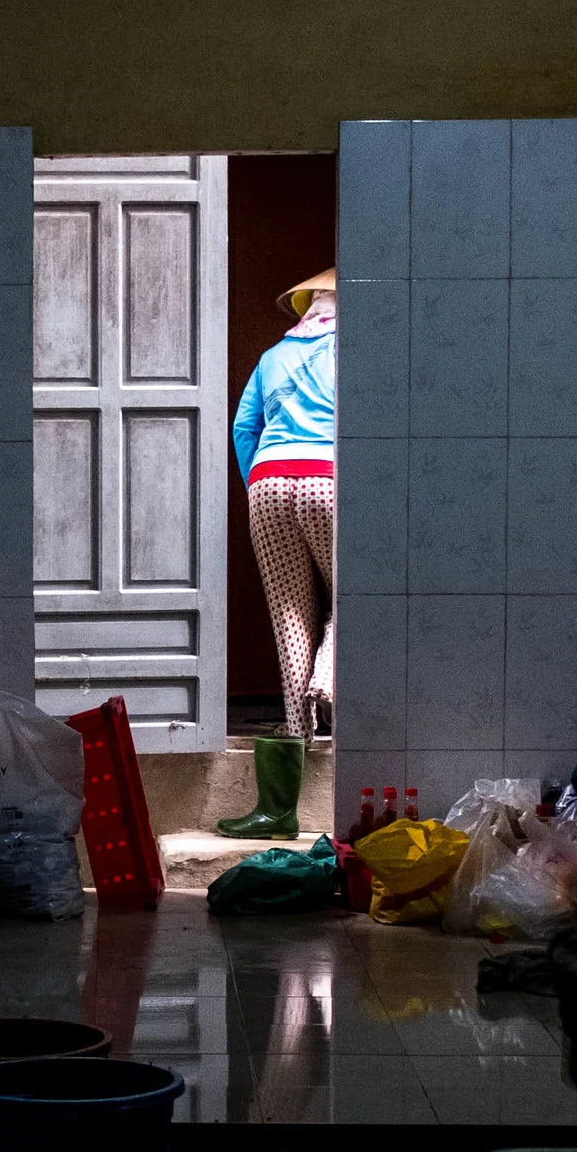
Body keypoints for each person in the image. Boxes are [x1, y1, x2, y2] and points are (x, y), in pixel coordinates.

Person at [217, 266, 336, 840]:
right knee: (353, 596)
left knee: (290, 613)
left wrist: (258, 482)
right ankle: (327, 678)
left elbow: (245, 428)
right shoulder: (351, 352)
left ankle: (297, 727)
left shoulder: (272, 357)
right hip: (328, 478)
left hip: (268, 481)